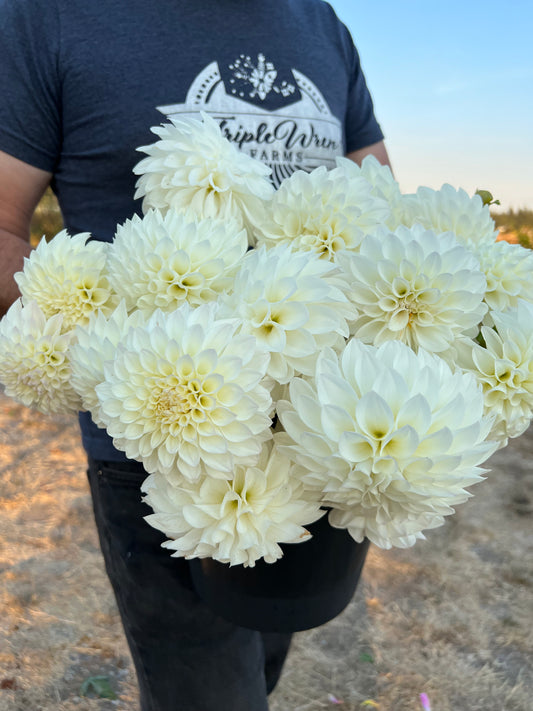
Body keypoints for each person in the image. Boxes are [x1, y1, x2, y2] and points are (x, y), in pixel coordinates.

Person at [0, 1, 390, 709]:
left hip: (323, 437)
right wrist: (93, 346)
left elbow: (380, 205)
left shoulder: (322, 23)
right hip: (157, 449)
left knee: (265, 664)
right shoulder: (45, 17)